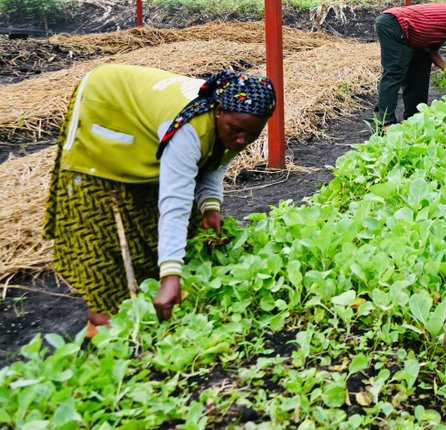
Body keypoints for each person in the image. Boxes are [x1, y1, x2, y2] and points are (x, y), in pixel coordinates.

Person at [44, 65, 276, 336]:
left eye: (252, 134)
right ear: (219, 111)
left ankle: (152, 304)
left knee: (177, 227)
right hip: (106, 108)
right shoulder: (188, 130)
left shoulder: (238, 122)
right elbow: (174, 203)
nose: (241, 140)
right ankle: (102, 330)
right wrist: (170, 276)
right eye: (236, 130)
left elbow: (215, 163)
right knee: (101, 234)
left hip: (147, 119)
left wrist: (210, 205)